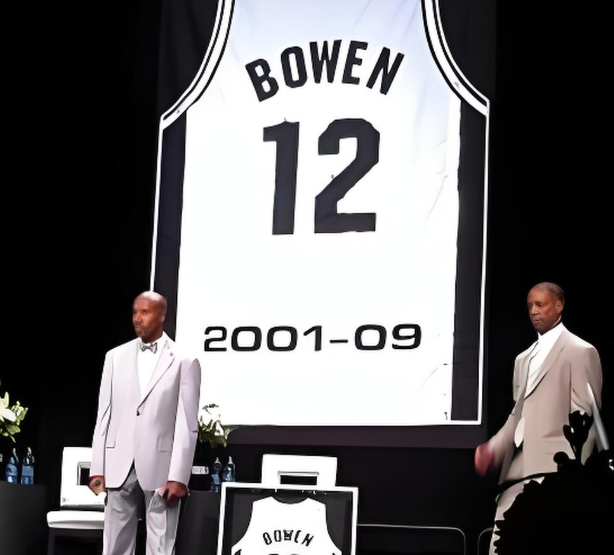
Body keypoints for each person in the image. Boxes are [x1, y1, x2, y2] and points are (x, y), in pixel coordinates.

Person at [474, 282, 603, 554]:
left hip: (556, 475)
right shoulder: (523, 359)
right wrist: (494, 448)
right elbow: (517, 415)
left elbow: (586, 417)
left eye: (540, 305)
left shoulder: (581, 351)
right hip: (519, 472)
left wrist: (576, 479)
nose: (534, 311)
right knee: (500, 547)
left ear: (559, 306)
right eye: (530, 306)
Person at [89, 291, 201, 555]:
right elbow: (104, 414)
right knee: (115, 543)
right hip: (119, 462)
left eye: (145, 312)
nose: (137, 318)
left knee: (161, 544)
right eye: (135, 312)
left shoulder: (184, 360)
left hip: (161, 464)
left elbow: (187, 423)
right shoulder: (115, 357)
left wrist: (179, 476)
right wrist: (97, 467)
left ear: (162, 316)